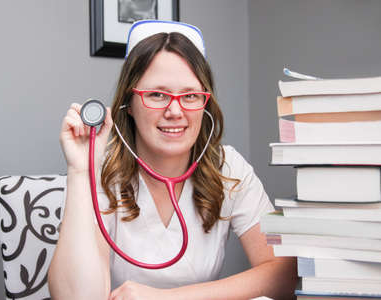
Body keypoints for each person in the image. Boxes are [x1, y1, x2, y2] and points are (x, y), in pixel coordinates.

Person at [48, 20, 297, 300]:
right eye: (157, 94)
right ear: (128, 104)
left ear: (206, 103)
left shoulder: (228, 168)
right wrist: (81, 171)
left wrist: (168, 298)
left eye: (190, 95)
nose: (175, 110)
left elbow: (285, 274)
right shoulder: (102, 172)